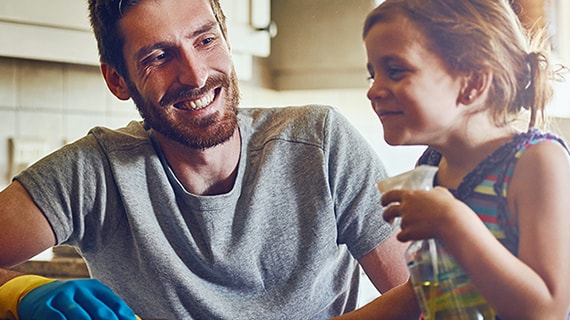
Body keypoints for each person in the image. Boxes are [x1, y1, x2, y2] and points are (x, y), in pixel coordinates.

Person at [0, 0, 411, 319]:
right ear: (117, 80)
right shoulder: (94, 174)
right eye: (158, 57)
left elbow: (422, 300)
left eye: (205, 40)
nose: (195, 75)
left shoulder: (321, 143)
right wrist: (20, 293)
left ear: (226, 39)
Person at [336, 0, 570, 319]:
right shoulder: (431, 168)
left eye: (395, 71)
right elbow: (424, 292)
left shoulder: (536, 162)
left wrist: (451, 220)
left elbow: (547, 310)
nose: (374, 90)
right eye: (372, 75)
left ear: (473, 82)